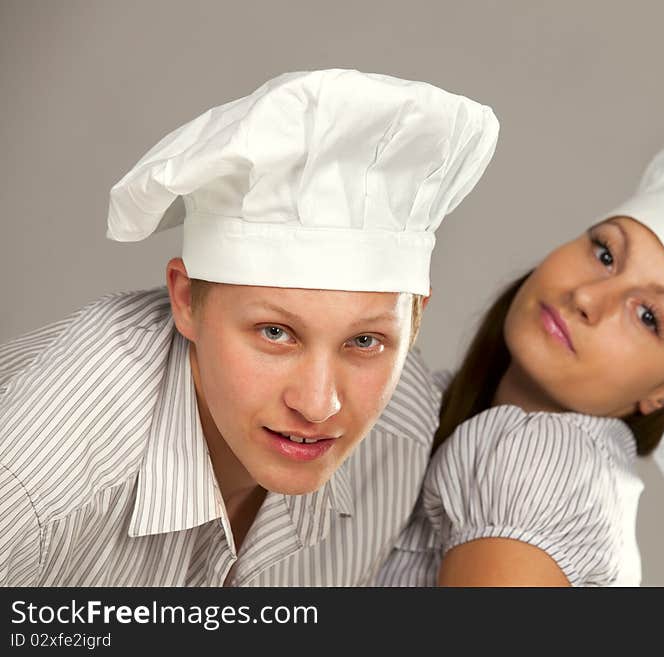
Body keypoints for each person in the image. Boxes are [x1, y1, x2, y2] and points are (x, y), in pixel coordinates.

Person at [0, 69, 499, 586]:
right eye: (276, 333)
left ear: (415, 325)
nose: (317, 404)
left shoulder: (400, 430)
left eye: (364, 341)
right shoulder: (36, 486)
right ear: (187, 299)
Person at [376, 113, 664, 586]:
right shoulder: (422, 410)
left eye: (648, 316)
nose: (589, 299)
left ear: (663, 393)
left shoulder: (541, 463)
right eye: (605, 254)